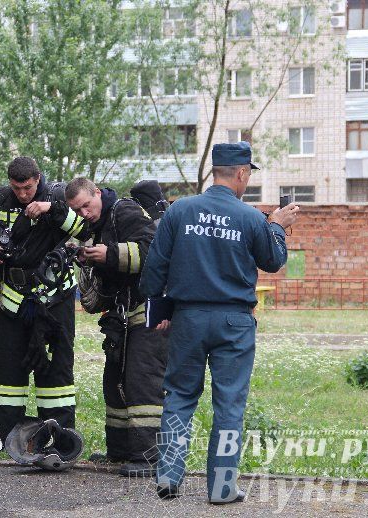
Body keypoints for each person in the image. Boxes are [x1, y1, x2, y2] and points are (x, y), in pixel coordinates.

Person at [139, 141, 299, 504]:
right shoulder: (252, 218)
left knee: (179, 396)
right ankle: (223, 487)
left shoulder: (180, 211)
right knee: (228, 405)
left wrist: (160, 312)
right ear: (242, 173)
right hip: (234, 322)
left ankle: (168, 475)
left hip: (188, 319)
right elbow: (273, 262)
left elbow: (155, 267)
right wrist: (276, 225)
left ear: (216, 171)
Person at [0, 157, 88, 442]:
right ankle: (8, 436)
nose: (23, 194)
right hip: (12, 300)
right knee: (10, 370)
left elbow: (86, 229)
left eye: (28, 188)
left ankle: (60, 436)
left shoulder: (58, 197)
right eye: (17, 188)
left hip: (55, 299)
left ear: (38, 178)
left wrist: (53, 211)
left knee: (56, 372)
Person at [65, 177, 168, 477]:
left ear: (98, 192)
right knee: (115, 383)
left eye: (87, 204)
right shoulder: (97, 224)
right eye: (78, 210)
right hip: (124, 314)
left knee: (142, 382)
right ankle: (120, 451)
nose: (84, 213)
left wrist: (109, 254)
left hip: (151, 309)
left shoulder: (125, 211)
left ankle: (149, 458)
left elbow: (153, 252)